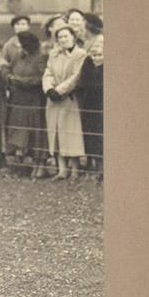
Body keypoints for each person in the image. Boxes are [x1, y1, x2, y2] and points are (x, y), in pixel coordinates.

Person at [1, 16, 50, 177]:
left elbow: (39, 78)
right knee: (18, 134)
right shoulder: (19, 55)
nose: (20, 48)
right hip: (18, 100)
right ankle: (20, 166)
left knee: (36, 133)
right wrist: (10, 78)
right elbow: (7, 67)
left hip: (34, 101)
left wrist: (20, 81)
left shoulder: (40, 56)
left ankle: (40, 165)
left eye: (22, 45)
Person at [42, 24, 87, 180]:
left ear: (73, 37)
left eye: (65, 36)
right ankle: (62, 170)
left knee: (70, 132)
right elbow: (48, 73)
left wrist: (60, 90)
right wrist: (49, 89)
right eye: (60, 37)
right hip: (53, 100)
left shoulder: (80, 55)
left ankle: (75, 170)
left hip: (69, 98)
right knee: (55, 132)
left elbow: (76, 76)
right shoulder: (53, 54)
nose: (62, 40)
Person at [77, 35, 104, 181]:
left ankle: (101, 168)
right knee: (89, 134)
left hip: (102, 105)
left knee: (101, 135)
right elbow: (82, 82)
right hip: (89, 104)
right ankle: (91, 166)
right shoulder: (87, 63)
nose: (96, 58)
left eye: (100, 55)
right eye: (94, 55)